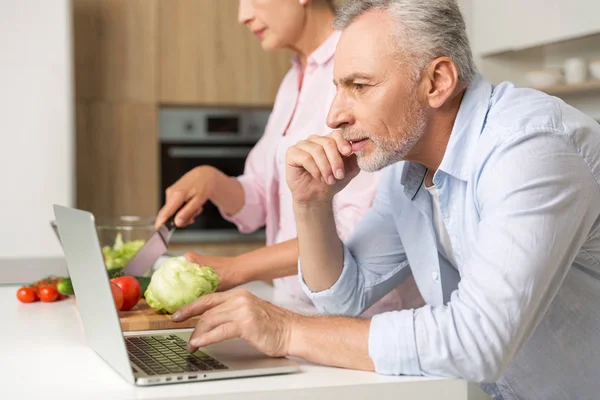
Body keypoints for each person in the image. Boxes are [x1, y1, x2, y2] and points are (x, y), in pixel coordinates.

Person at [170, 1, 600, 399]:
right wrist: (311, 204)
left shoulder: (531, 148)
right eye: (339, 87)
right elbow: (344, 296)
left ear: (437, 81)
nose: (334, 115)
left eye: (359, 85)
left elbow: (476, 341)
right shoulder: (407, 167)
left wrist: (286, 331)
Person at [155, 0, 420, 314]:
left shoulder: (363, 65)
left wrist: (236, 268)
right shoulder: (294, 79)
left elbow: (358, 233)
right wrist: (210, 179)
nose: (243, 16)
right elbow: (259, 201)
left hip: (366, 320)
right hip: (297, 306)